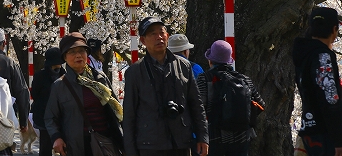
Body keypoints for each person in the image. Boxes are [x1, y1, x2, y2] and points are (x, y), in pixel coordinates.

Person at [123, 16, 209, 156]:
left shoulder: (183, 66)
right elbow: (129, 116)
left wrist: (202, 137)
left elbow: (196, 104)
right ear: (143, 40)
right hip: (149, 144)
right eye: (153, 33)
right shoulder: (134, 72)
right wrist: (130, 151)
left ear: (167, 36)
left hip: (180, 140)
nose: (159, 37)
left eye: (162, 32)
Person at [45, 32, 123, 156]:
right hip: (76, 145)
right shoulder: (59, 86)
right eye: (72, 52)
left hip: (105, 142)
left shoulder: (99, 78)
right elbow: (50, 117)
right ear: (64, 57)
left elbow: (115, 108)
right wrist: (56, 137)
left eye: (82, 51)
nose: (78, 55)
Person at [196, 40, 264, 156]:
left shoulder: (204, 79)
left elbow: (198, 107)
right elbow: (260, 104)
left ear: (210, 60)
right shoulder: (244, 80)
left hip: (215, 136)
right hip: (242, 137)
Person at [293, 6, 342, 156]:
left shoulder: (303, 53)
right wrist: (338, 140)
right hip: (325, 133)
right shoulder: (323, 56)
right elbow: (330, 99)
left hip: (309, 127)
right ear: (334, 29)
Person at [0, 26, 31, 133]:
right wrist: (23, 122)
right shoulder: (9, 63)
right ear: (4, 43)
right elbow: (22, 91)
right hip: (5, 113)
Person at [31, 47, 65, 156]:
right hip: (44, 115)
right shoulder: (40, 76)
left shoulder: (65, 75)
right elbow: (35, 94)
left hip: (61, 116)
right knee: (45, 147)